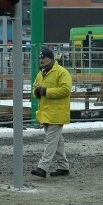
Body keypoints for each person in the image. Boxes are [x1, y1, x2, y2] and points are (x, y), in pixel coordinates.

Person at [30, 47, 72, 178]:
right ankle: (63, 167)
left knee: (50, 141)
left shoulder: (62, 72)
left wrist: (46, 91)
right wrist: (37, 92)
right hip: (46, 113)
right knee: (56, 142)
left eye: (44, 57)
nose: (41, 60)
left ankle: (42, 167)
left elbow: (66, 90)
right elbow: (34, 88)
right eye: (40, 58)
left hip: (57, 113)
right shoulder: (41, 73)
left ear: (51, 58)